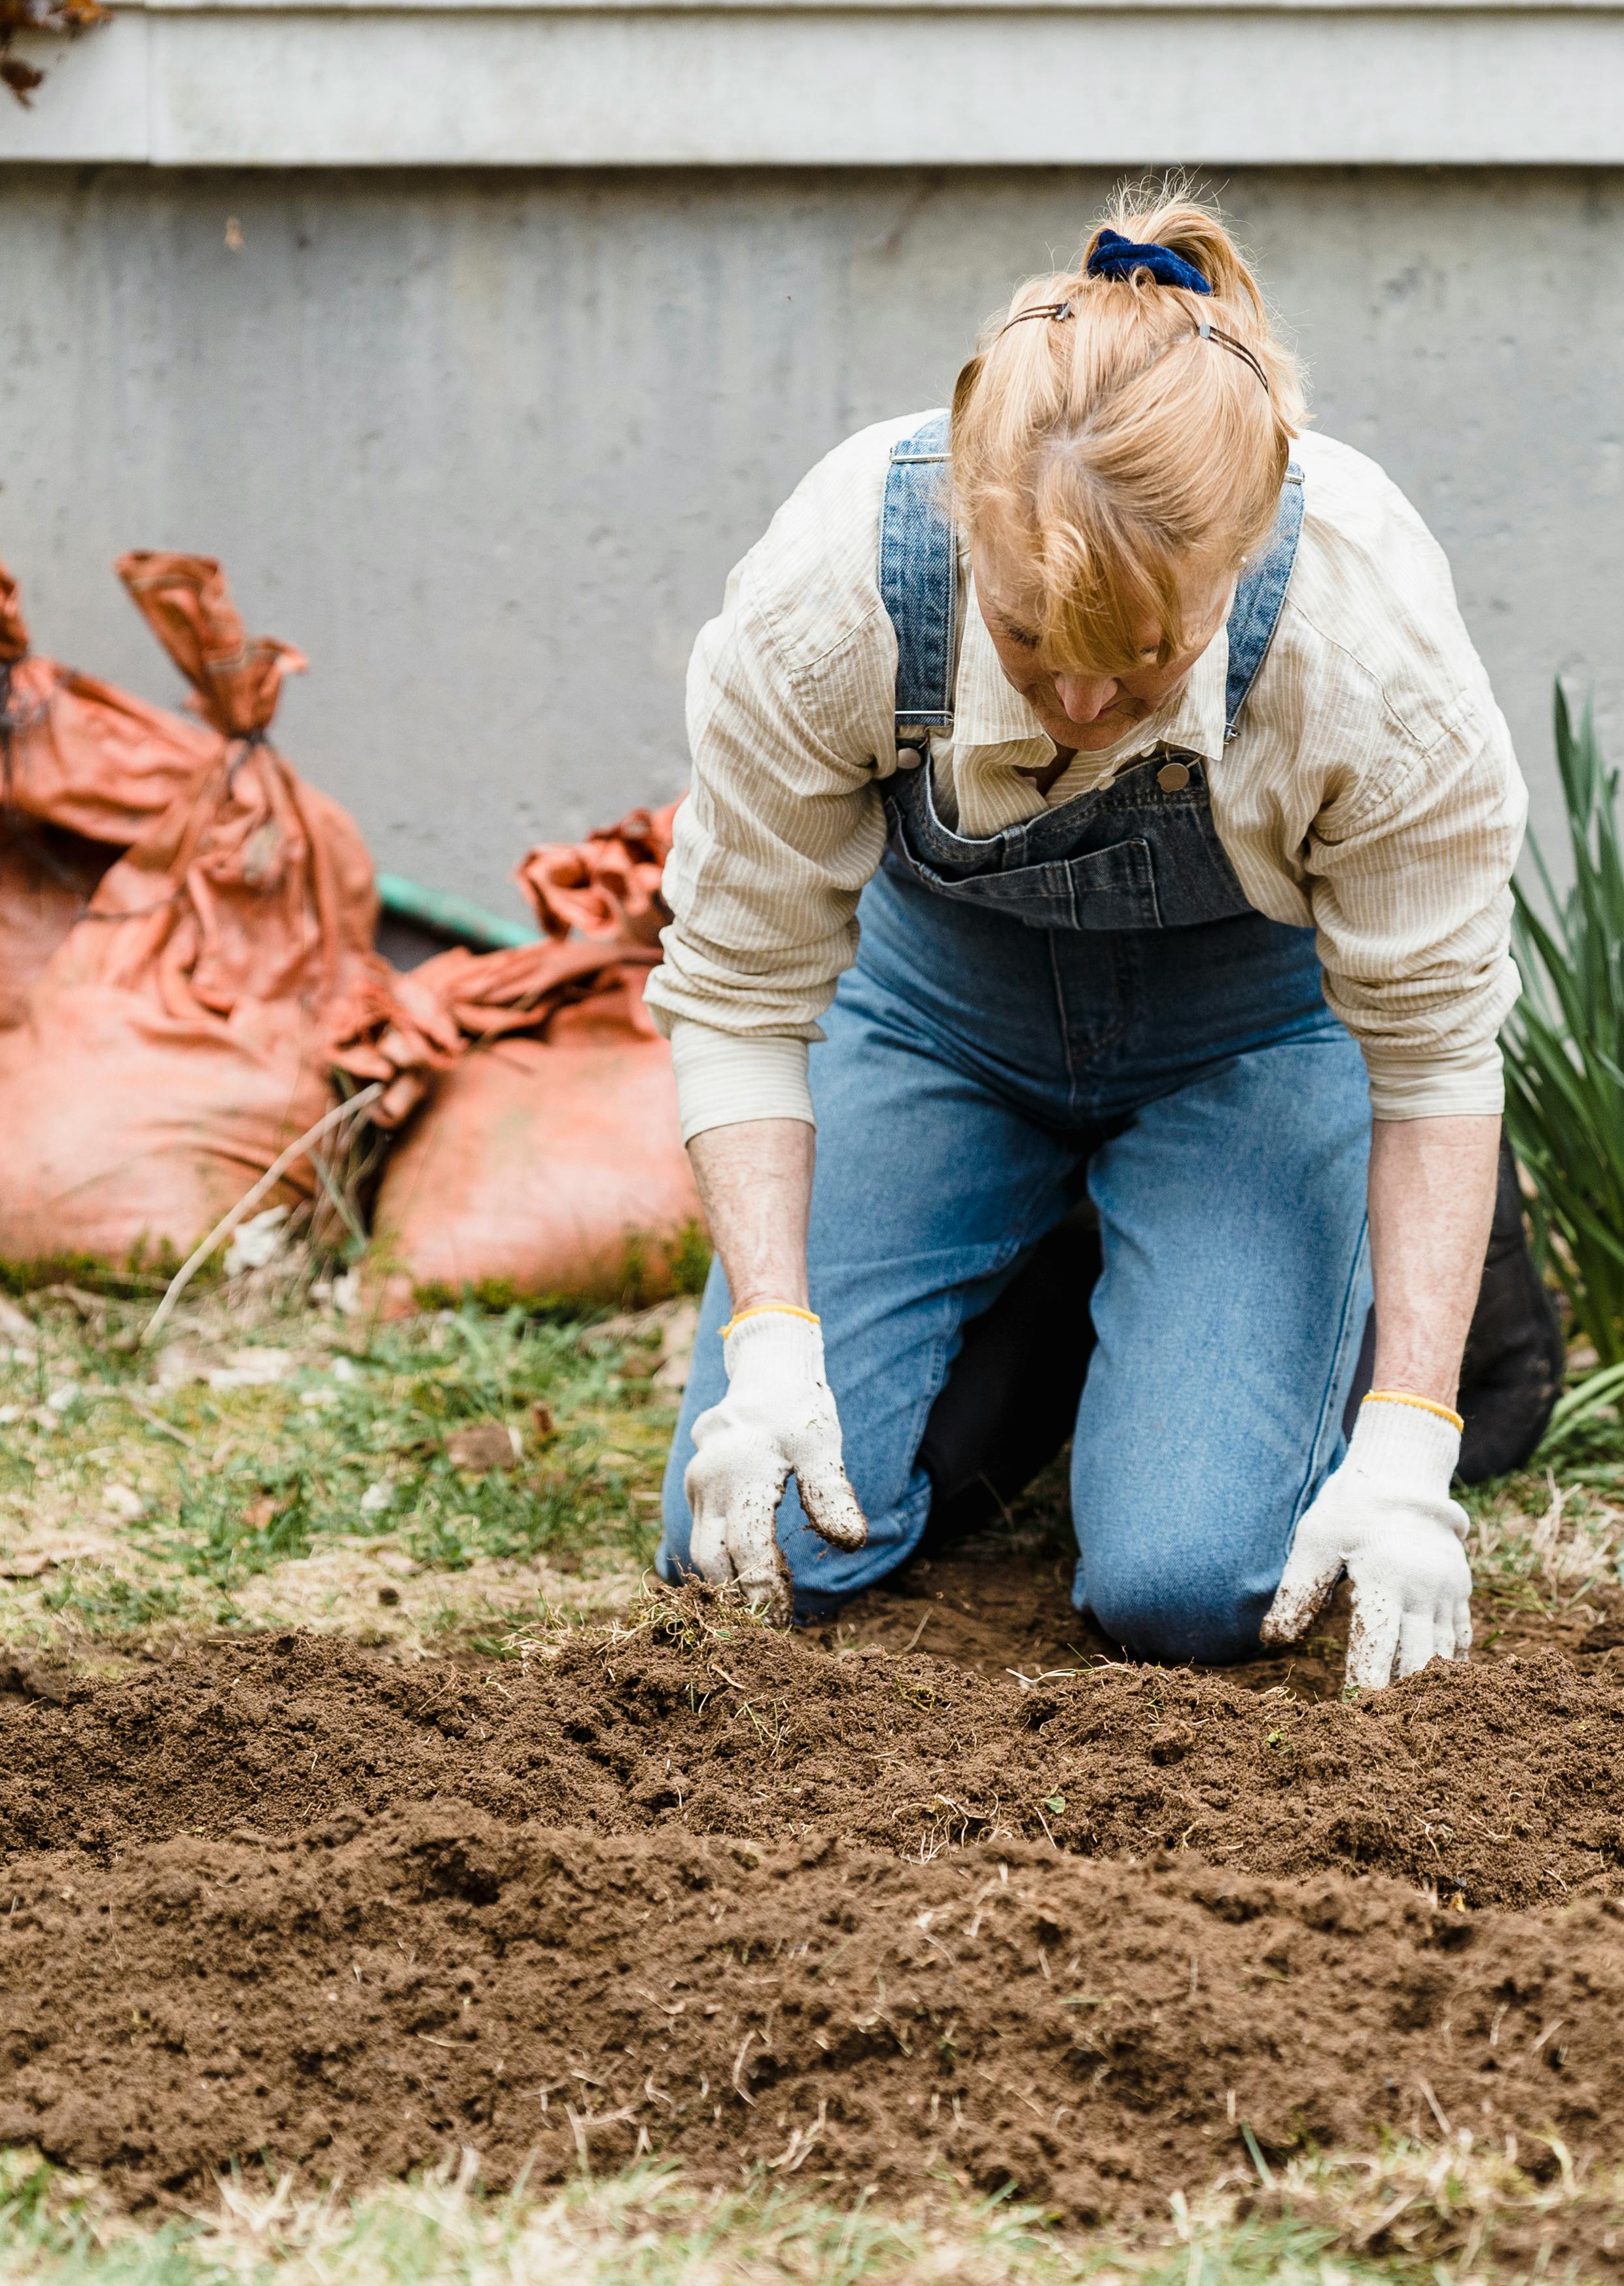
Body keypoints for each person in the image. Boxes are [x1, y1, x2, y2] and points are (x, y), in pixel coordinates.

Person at [644, 191, 1524, 1690]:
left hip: (1248, 1043)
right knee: (763, 1553)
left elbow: (1434, 1051)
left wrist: (1407, 1442)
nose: (1080, 710)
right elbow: (735, 989)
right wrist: (775, 1341)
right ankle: (1064, 1274)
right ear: (969, 531)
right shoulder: (839, 589)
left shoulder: (1363, 646)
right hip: (936, 1019)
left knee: (1189, 1589)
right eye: (1031, 644)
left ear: (1237, 562)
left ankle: (1279, 1282)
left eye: (1142, 661)